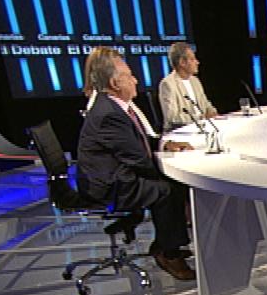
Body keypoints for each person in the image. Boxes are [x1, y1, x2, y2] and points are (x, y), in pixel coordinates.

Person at [76, 47, 196, 280]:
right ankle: (168, 252)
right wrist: (168, 168)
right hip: (110, 185)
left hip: (116, 173)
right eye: (130, 76)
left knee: (173, 183)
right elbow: (138, 159)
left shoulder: (115, 106)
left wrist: (165, 146)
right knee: (168, 189)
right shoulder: (109, 114)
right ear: (115, 83)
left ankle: (168, 243)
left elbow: (137, 142)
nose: (136, 80)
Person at [158, 42, 218, 132]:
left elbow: (206, 105)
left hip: (202, 128)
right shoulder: (167, 84)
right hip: (180, 133)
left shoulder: (195, 81)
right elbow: (173, 118)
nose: (197, 62)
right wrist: (200, 117)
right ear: (182, 62)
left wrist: (212, 112)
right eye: (193, 59)